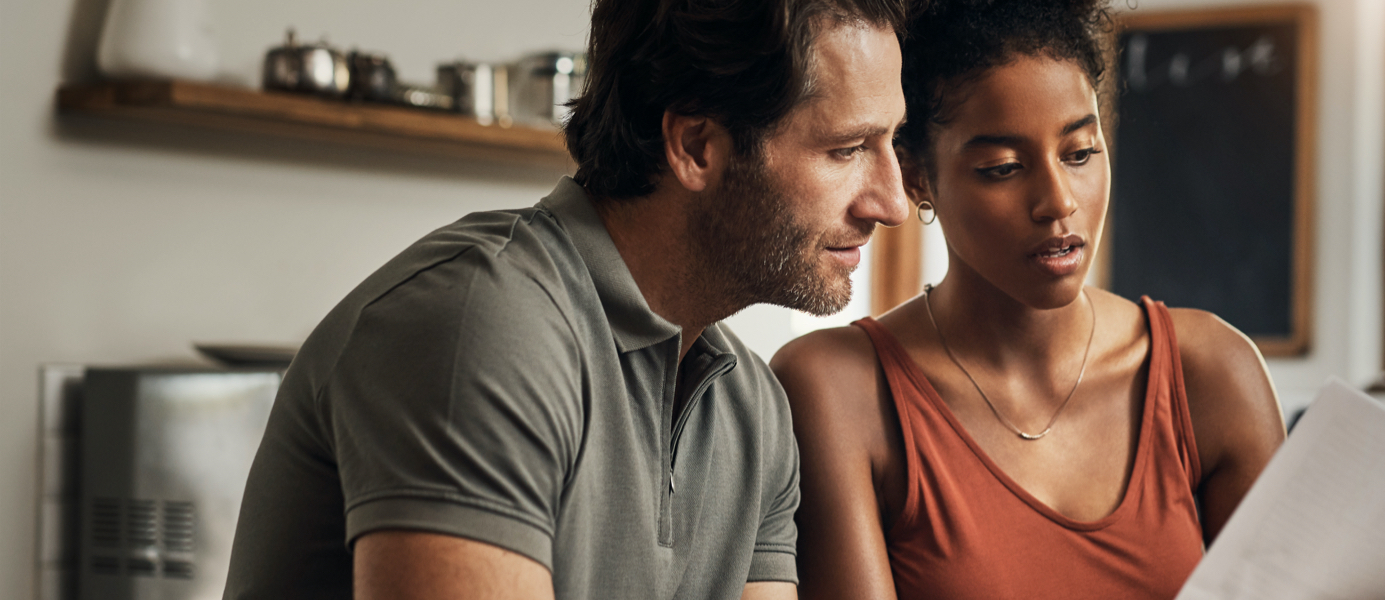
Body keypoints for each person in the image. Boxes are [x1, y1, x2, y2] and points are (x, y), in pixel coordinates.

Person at [769, 1, 1385, 599]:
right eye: (1000, 167)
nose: (1056, 202)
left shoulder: (1208, 371)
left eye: (1079, 151)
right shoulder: (838, 387)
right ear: (917, 175)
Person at [222, 0, 909, 598]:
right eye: (847, 149)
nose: (893, 202)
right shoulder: (481, 322)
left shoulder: (749, 408)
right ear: (697, 146)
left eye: (892, 145)